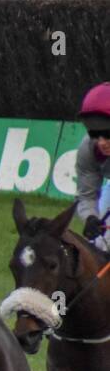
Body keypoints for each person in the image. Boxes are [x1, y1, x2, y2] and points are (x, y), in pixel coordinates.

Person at [72, 81, 110, 250]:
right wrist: (90, 218)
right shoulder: (88, 149)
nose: (101, 143)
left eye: (108, 134)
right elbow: (86, 196)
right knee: (97, 245)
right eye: (95, 134)